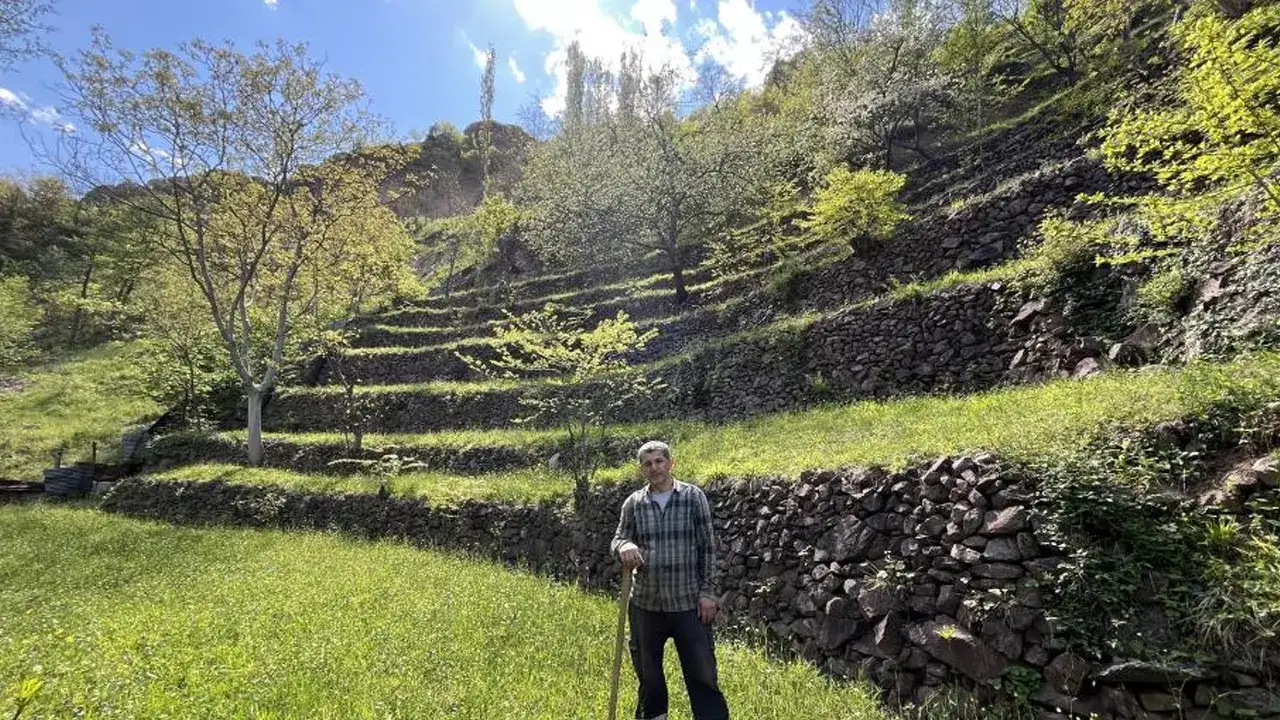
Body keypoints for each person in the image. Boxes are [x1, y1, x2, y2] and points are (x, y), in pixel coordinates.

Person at [610, 440, 730, 720]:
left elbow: (707, 547)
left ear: (670, 463)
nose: (654, 468)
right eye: (648, 464)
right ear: (642, 469)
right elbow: (618, 538)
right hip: (645, 603)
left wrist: (709, 592)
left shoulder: (692, 497)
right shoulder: (634, 503)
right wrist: (624, 546)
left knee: (702, 674)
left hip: (688, 601)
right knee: (648, 676)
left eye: (659, 461)